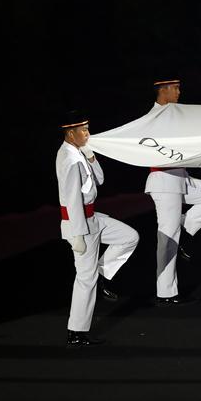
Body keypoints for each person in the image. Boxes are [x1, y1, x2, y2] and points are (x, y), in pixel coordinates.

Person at [56, 111, 139, 346]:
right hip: (80, 222)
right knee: (85, 278)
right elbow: (72, 199)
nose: (88, 134)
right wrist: (78, 234)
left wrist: (91, 157)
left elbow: (100, 180)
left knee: (129, 236)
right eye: (83, 131)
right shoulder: (69, 159)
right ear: (71, 134)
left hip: (93, 217)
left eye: (87, 129)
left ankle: (103, 273)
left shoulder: (79, 152)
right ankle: (77, 331)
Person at [144, 78, 201, 305]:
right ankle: (166, 292)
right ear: (162, 91)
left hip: (182, 177)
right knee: (167, 235)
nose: (179, 92)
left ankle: (186, 226)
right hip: (164, 181)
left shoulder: (176, 113)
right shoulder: (151, 119)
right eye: (175, 89)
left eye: (179, 88)